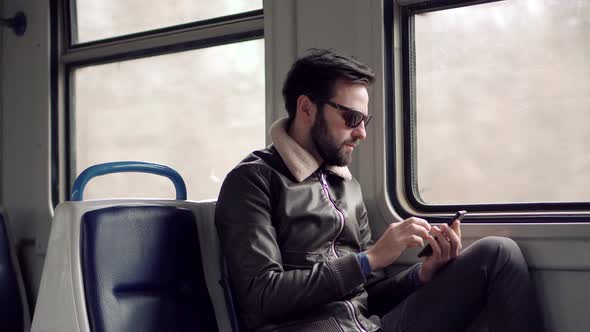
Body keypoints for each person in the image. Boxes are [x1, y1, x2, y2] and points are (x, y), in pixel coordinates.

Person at [215, 48, 543, 332]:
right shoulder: (253, 182)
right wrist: (368, 259)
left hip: (371, 326)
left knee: (498, 253)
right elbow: (262, 298)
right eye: (351, 118)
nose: (361, 133)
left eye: (364, 121)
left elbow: (370, 293)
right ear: (306, 108)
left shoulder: (347, 187)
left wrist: (422, 274)